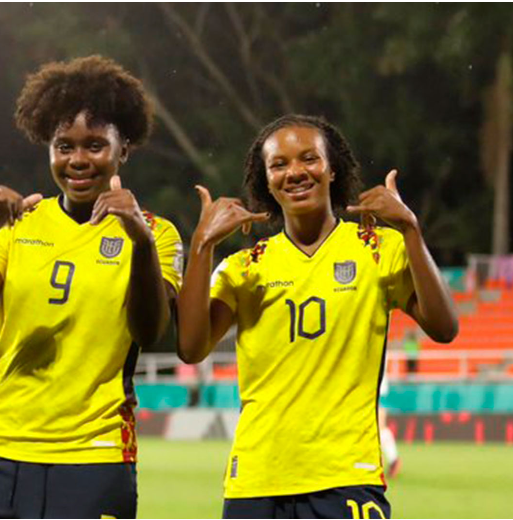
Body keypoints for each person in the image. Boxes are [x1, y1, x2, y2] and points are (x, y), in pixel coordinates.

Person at [0, 55, 183, 519]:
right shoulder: (20, 222)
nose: (78, 160)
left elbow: (150, 333)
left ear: (122, 149)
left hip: (94, 451)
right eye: (64, 146)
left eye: (94, 145)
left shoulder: (156, 233)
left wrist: (141, 245)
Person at [177, 114, 458, 519]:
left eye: (309, 158)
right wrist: (202, 245)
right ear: (266, 180)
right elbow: (190, 347)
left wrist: (411, 229)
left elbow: (444, 327)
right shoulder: (245, 267)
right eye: (279, 164)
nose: (295, 172)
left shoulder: (378, 248)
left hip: (346, 476)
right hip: (256, 480)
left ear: (332, 169)